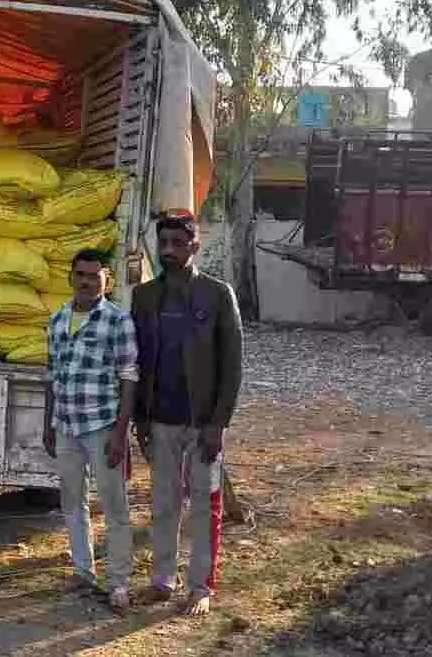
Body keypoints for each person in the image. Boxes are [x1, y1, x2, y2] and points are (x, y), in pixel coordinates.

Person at [130, 211, 243, 617]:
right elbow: (137, 362)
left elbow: (232, 366)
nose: (169, 251)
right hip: (160, 421)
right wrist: (140, 418)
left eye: (178, 244)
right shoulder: (144, 297)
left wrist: (218, 424)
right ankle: (162, 582)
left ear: (195, 246)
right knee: (164, 504)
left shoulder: (217, 295)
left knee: (204, 507)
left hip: (202, 424)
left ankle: (200, 587)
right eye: (163, 243)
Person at [43, 248, 139, 614]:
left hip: (102, 425)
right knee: (72, 502)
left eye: (93, 276)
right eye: (80, 275)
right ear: (70, 277)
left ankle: (118, 583)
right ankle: (83, 572)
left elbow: (129, 377)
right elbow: (53, 376)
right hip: (67, 425)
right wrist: (49, 424)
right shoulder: (58, 319)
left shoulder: (117, 321)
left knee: (114, 506)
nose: (86, 282)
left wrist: (120, 433)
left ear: (106, 281)